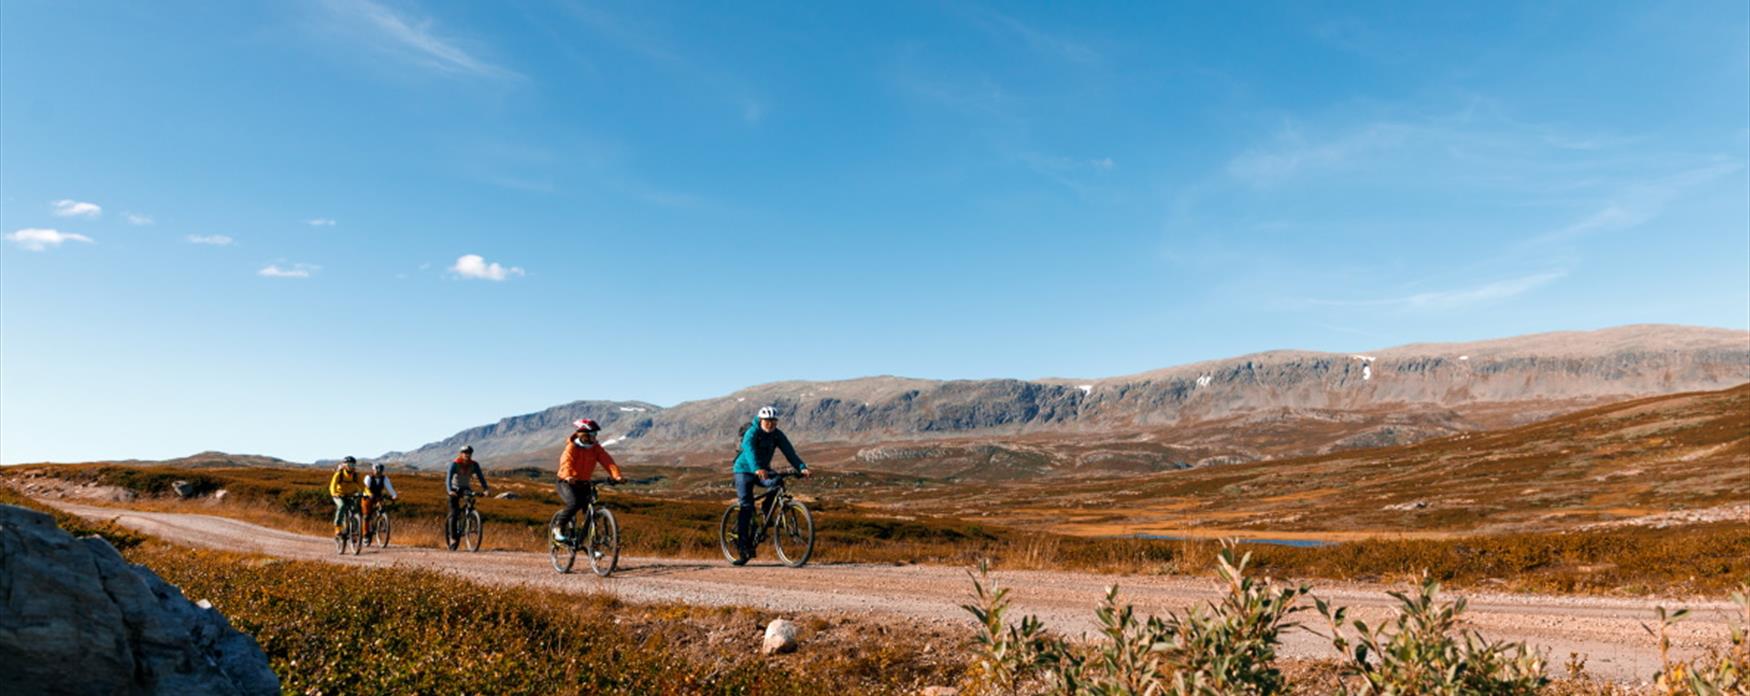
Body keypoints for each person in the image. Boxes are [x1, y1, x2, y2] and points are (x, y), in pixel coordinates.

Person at [730, 406, 809, 565]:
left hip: (762, 471)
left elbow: (789, 452)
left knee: (777, 482)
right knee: (746, 505)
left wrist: (801, 467)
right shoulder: (752, 433)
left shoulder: (777, 435)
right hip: (744, 471)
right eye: (767, 421)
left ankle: (767, 510)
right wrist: (757, 468)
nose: (771, 424)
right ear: (761, 420)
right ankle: (742, 546)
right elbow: (749, 451)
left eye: (774, 421)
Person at [552, 418, 624, 544]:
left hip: (584, 483)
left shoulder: (595, 448)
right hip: (566, 482)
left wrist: (617, 476)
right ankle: (558, 528)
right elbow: (566, 463)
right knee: (574, 504)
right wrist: (569, 476)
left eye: (596, 435)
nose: (595, 437)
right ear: (583, 435)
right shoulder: (571, 448)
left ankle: (591, 545)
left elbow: (608, 462)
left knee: (590, 512)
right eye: (593, 435)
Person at [446, 445, 490, 535]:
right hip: (454, 489)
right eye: (465, 453)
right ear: (461, 454)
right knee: (454, 512)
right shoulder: (455, 464)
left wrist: (486, 489)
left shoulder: (474, 465)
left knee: (471, 503)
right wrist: (450, 490)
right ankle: (453, 537)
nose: (467, 454)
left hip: (465, 488)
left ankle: (470, 519)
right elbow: (448, 479)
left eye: (469, 453)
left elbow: (481, 478)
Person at [361, 461, 399, 542]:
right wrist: (369, 494)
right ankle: (365, 535)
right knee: (366, 515)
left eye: (380, 471)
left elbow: (390, 488)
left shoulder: (384, 478)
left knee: (382, 507)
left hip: (377, 496)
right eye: (377, 471)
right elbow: (365, 488)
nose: (378, 473)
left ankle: (381, 521)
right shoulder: (368, 477)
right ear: (373, 470)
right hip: (367, 496)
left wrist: (394, 495)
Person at [328, 456, 362, 537]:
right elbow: (332, 485)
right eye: (349, 464)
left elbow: (363, 486)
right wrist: (334, 493)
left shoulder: (355, 475)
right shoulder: (339, 474)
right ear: (344, 465)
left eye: (353, 465)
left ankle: (354, 531)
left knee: (355, 509)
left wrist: (367, 493)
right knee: (342, 506)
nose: (351, 467)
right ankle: (338, 527)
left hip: (351, 495)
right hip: (338, 495)